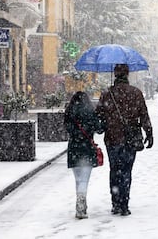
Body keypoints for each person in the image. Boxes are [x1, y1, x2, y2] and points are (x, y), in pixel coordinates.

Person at [95, 64, 153, 216]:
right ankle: (124, 203)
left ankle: (115, 202)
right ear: (127, 75)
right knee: (127, 170)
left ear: (115, 74)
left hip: (112, 138)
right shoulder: (136, 93)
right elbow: (144, 115)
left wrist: (102, 125)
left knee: (114, 170)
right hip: (131, 137)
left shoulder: (107, 94)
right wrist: (149, 133)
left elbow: (98, 115)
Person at [64, 91, 104, 219]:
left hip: (74, 148)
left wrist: (77, 134)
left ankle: (81, 203)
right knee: (84, 180)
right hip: (87, 148)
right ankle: (81, 205)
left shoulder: (70, 111)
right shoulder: (90, 112)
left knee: (78, 179)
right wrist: (101, 119)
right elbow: (99, 129)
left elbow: (68, 128)